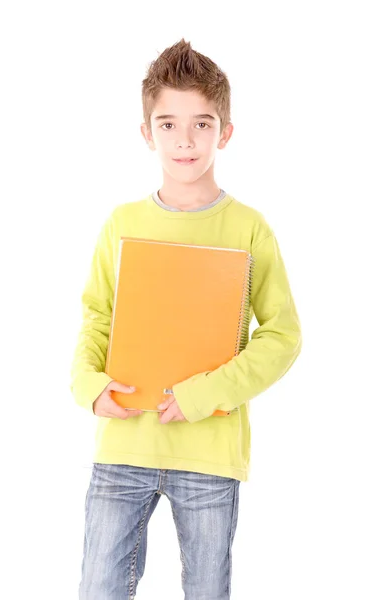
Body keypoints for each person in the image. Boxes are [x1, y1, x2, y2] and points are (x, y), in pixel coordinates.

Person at [70, 37, 302, 600]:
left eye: (201, 123)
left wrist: (205, 395)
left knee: (206, 591)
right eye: (168, 124)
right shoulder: (121, 223)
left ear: (225, 132)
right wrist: (88, 386)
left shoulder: (249, 228)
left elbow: (282, 336)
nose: (185, 139)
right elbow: (97, 316)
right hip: (124, 444)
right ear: (147, 133)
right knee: (98, 589)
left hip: (209, 450)